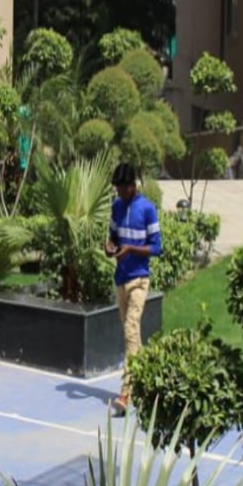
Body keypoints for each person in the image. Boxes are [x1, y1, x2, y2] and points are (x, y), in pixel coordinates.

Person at [103, 162, 161, 416]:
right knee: (133, 337)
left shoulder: (147, 209)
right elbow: (113, 236)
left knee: (130, 329)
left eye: (122, 189)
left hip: (139, 279)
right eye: (117, 189)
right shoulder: (117, 206)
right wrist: (110, 246)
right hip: (121, 278)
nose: (119, 193)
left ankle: (125, 393)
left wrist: (131, 250)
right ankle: (146, 380)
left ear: (133, 186)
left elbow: (156, 247)